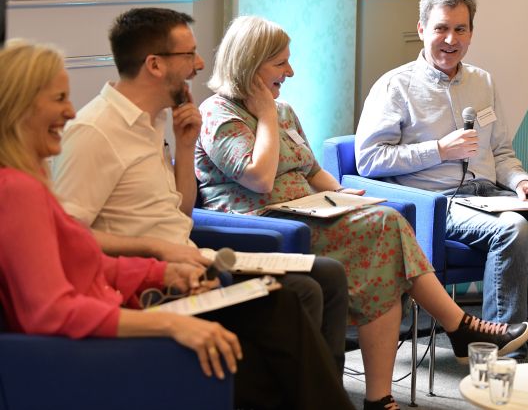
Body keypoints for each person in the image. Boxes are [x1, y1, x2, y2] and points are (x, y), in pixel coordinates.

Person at [195, 15, 528, 410]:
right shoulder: (219, 114)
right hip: (261, 227)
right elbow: (259, 179)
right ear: (250, 66)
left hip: (305, 215)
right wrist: (265, 114)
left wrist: (341, 194)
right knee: (386, 227)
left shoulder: (283, 110)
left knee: (383, 250)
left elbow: (311, 169)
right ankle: (459, 327)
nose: (290, 71)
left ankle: (382, 397)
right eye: (280, 63)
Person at [0, 40, 354, 410]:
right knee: (269, 345)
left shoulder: (33, 180)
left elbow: (89, 262)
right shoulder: (19, 190)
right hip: (90, 352)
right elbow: (52, 311)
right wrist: (171, 325)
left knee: (278, 312)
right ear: (19, 107)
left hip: (120, 312)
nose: (70, 111)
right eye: (58, 99)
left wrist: (159, 273)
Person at [355, 0, 528, 362]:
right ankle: (500, 356)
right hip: (437, 203)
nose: (451, 40)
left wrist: (523, 182)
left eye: (461, 29)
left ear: (471, 32)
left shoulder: (482, 81)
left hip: (491, 195)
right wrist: (439, 150)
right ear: (421, 29)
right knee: (511, 230)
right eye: (441, 29)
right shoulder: (394, 86)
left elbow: (500, 151)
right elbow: (369, 160)